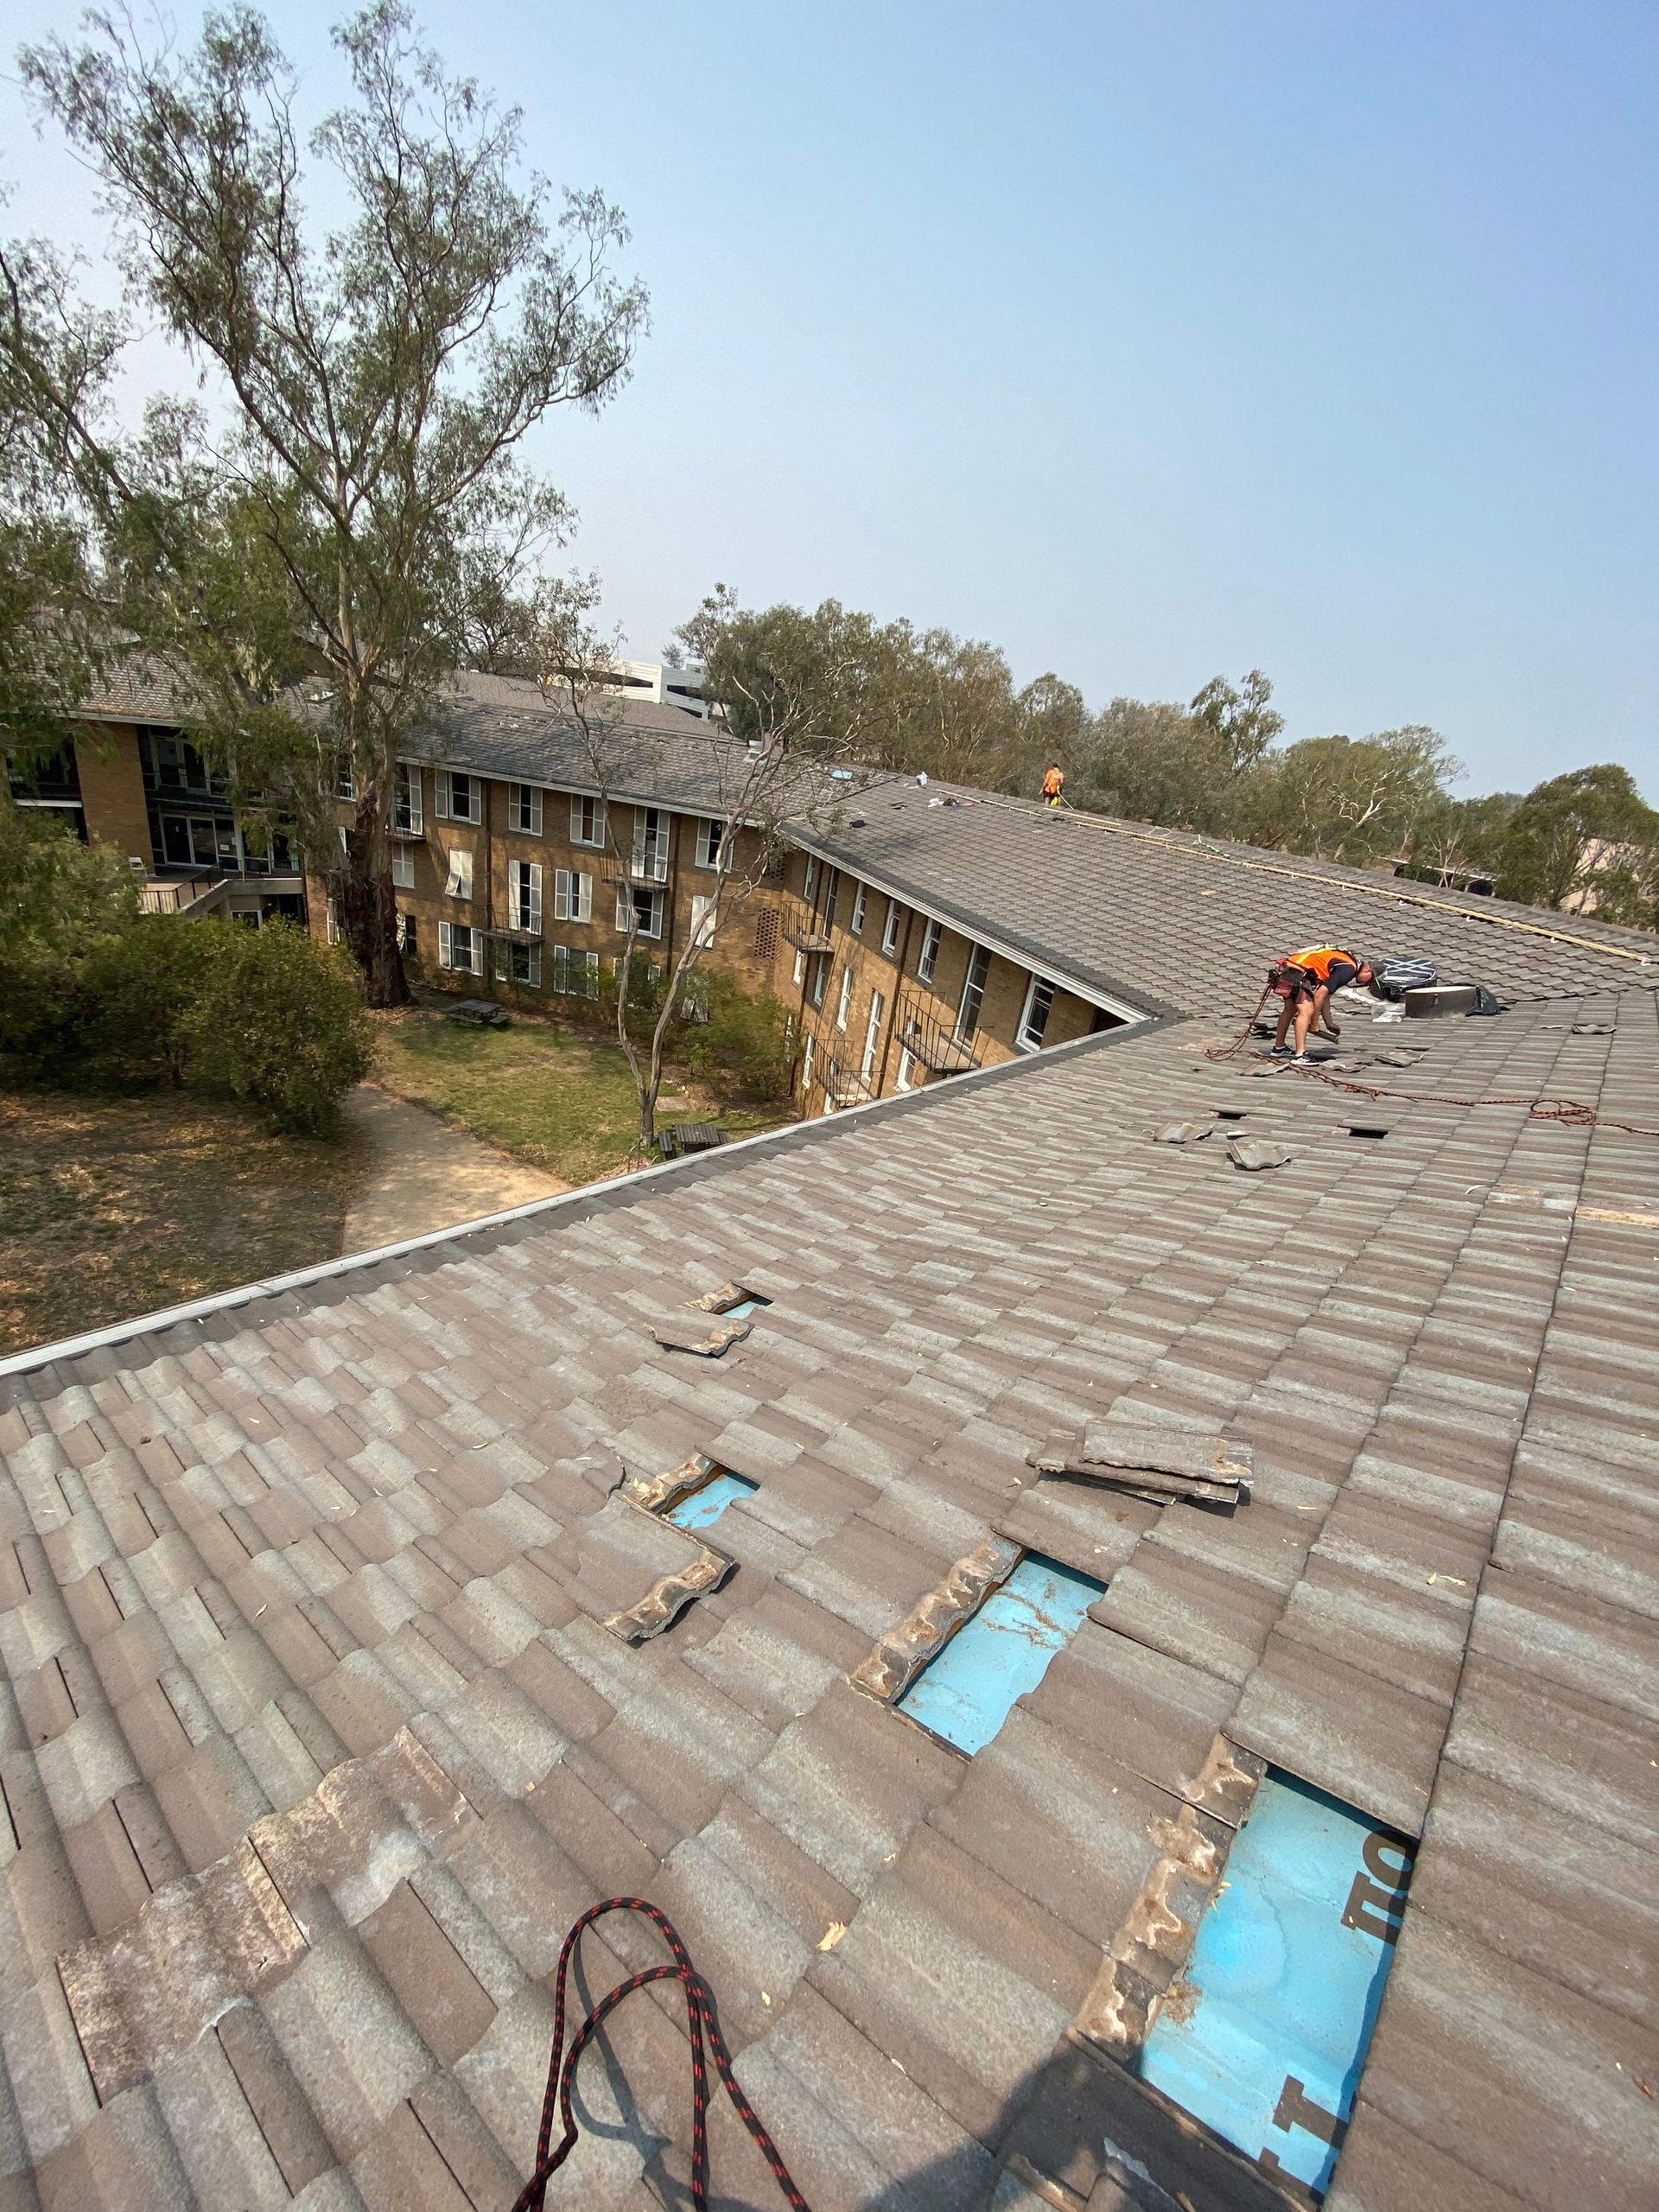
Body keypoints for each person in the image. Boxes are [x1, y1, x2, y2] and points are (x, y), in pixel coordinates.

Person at [1268, 946, 1377, 1061]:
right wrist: (1314, 1023)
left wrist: (1329, 1023)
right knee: (1307, 1011)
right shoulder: (1348, 969)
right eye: (1370, 980)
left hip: (1290, 970)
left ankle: (1279, 1048)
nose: (1367, 984)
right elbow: (1319, 995)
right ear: (1367, 971)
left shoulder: (1348, 963)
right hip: (1297, 973)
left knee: (1290, 1010)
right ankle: (1300, 1055)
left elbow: (1325, 996)